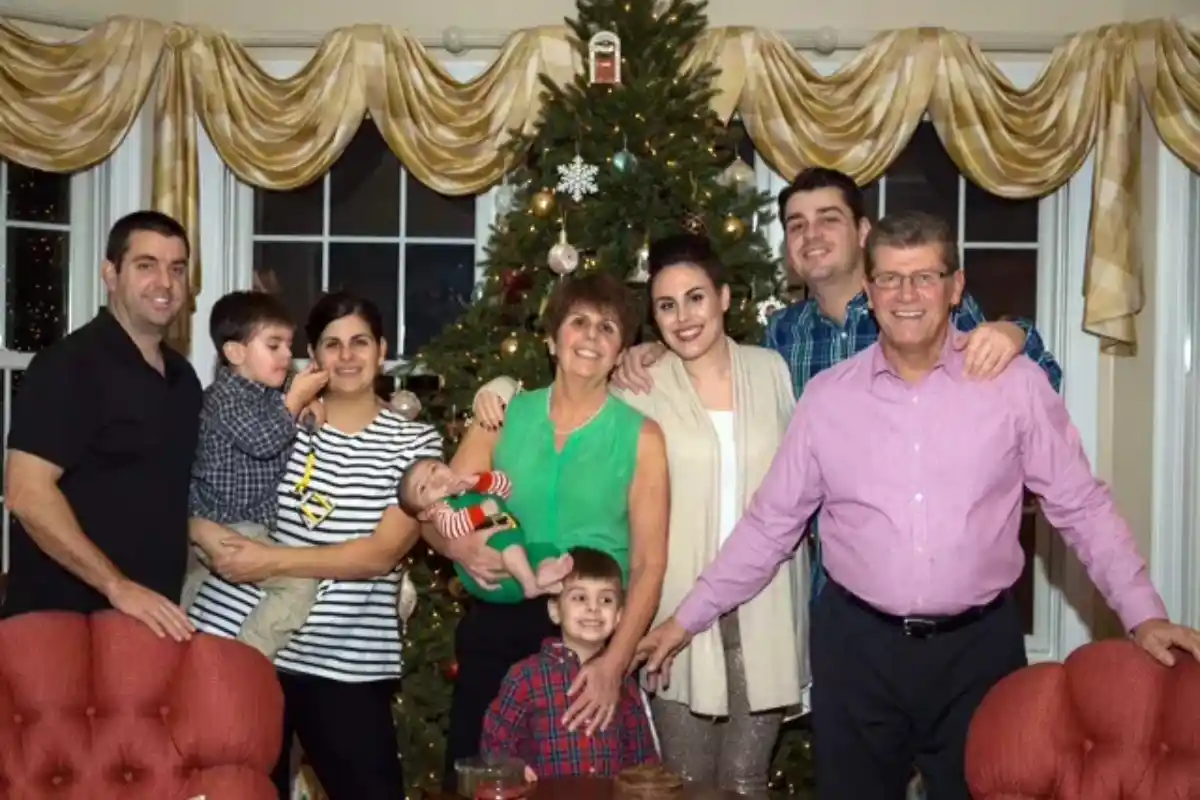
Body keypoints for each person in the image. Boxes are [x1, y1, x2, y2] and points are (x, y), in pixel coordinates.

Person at [635, 210, 1200, 800]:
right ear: (870, 292)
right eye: (890, 279)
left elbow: (1081, 507)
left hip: (978, 654)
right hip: (857, 651)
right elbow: (769, 527)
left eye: (924, 277)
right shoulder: (828, 400)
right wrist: (683, 620)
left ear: (955, 288)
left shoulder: (1016, 387)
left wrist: (1144, 613)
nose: (907, 295)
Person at [612, 167, 1064, 604]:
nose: (812, 236)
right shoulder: (782, 335)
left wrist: (1014, 331)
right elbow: (728, 386)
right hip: (828, 585)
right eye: (797, 225)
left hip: (942, 584)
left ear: (863, 231)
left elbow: (1039, 383)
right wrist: (656, 353)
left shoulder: (917, 309)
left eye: (829, 220)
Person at [473, 234, 806, 796]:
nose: (684, 317)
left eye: (696, 298)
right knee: (681, 781)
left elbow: (801, 482)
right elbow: (574, 394)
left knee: (747, 779)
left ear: (724, 298)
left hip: (765, 604)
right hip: (675, 610)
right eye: (666, 306)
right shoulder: (643, 386)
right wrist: (502, 384)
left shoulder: (771, 370)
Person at [188, 292, 441, 800]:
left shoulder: (414, 443)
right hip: (241, 646)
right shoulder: (283, 421)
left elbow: (380, 554)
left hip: (345, 664)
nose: (346, 356)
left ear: (382, 350)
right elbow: (204, 482)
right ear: (313, 357)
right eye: (332, 344)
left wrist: (270, 560)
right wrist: (197, 527)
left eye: (360, 342)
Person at [429, 272, 669, 790]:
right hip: (495, 628)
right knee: (480, 785)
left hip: (586, 639)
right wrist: (462, 548)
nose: (590, 336)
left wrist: (615, 664)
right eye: (577, 322)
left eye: (607, 328)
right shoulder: (502, 416)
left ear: (620, 349)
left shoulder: (641, 436)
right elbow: (437, 509)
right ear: (551, 339)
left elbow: (650, 565)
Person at [2, 211, 201, 641]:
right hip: (58, 623)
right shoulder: (67, 366)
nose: (165, 283)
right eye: (146, 266)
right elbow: (26, 493)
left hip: (150, 624)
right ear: (110, 275)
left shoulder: (184, 380)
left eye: (178, 268)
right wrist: (117, 586)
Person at [183, 290, 331, 658]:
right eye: (274, 345)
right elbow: (263, 441)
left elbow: (293, 434)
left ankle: (184, 649)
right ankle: (251, 656)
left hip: (241, 524)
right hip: (228, 523)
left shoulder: (268, 395)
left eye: (288, 344)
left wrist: (307, 408)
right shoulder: (223, 398)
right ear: (235, 353)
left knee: (194, 591)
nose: (286, 355)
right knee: (300, 585)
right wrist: (296, 400)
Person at [480, 547, 660, 780]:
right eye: (579, 597)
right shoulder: (525, 677)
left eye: (605, 599)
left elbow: (644, 761)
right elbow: (493, 743)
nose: (593, 608)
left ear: (618, 616)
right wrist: (514, 770)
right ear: (555, 610)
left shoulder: (624, 683)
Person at [398, 459, 575, 601]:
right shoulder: (440, 510)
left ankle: (545, 573)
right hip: (493, 564)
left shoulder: (467, 487)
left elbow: (504, 486)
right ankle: (530, 584)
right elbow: (452, 527)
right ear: (424, 514)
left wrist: (477, 482)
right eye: (423, 488)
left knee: (543, 549)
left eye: (434, 469)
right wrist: (481, 512)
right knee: (507, 541)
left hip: (514, 543)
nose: (434, 480)